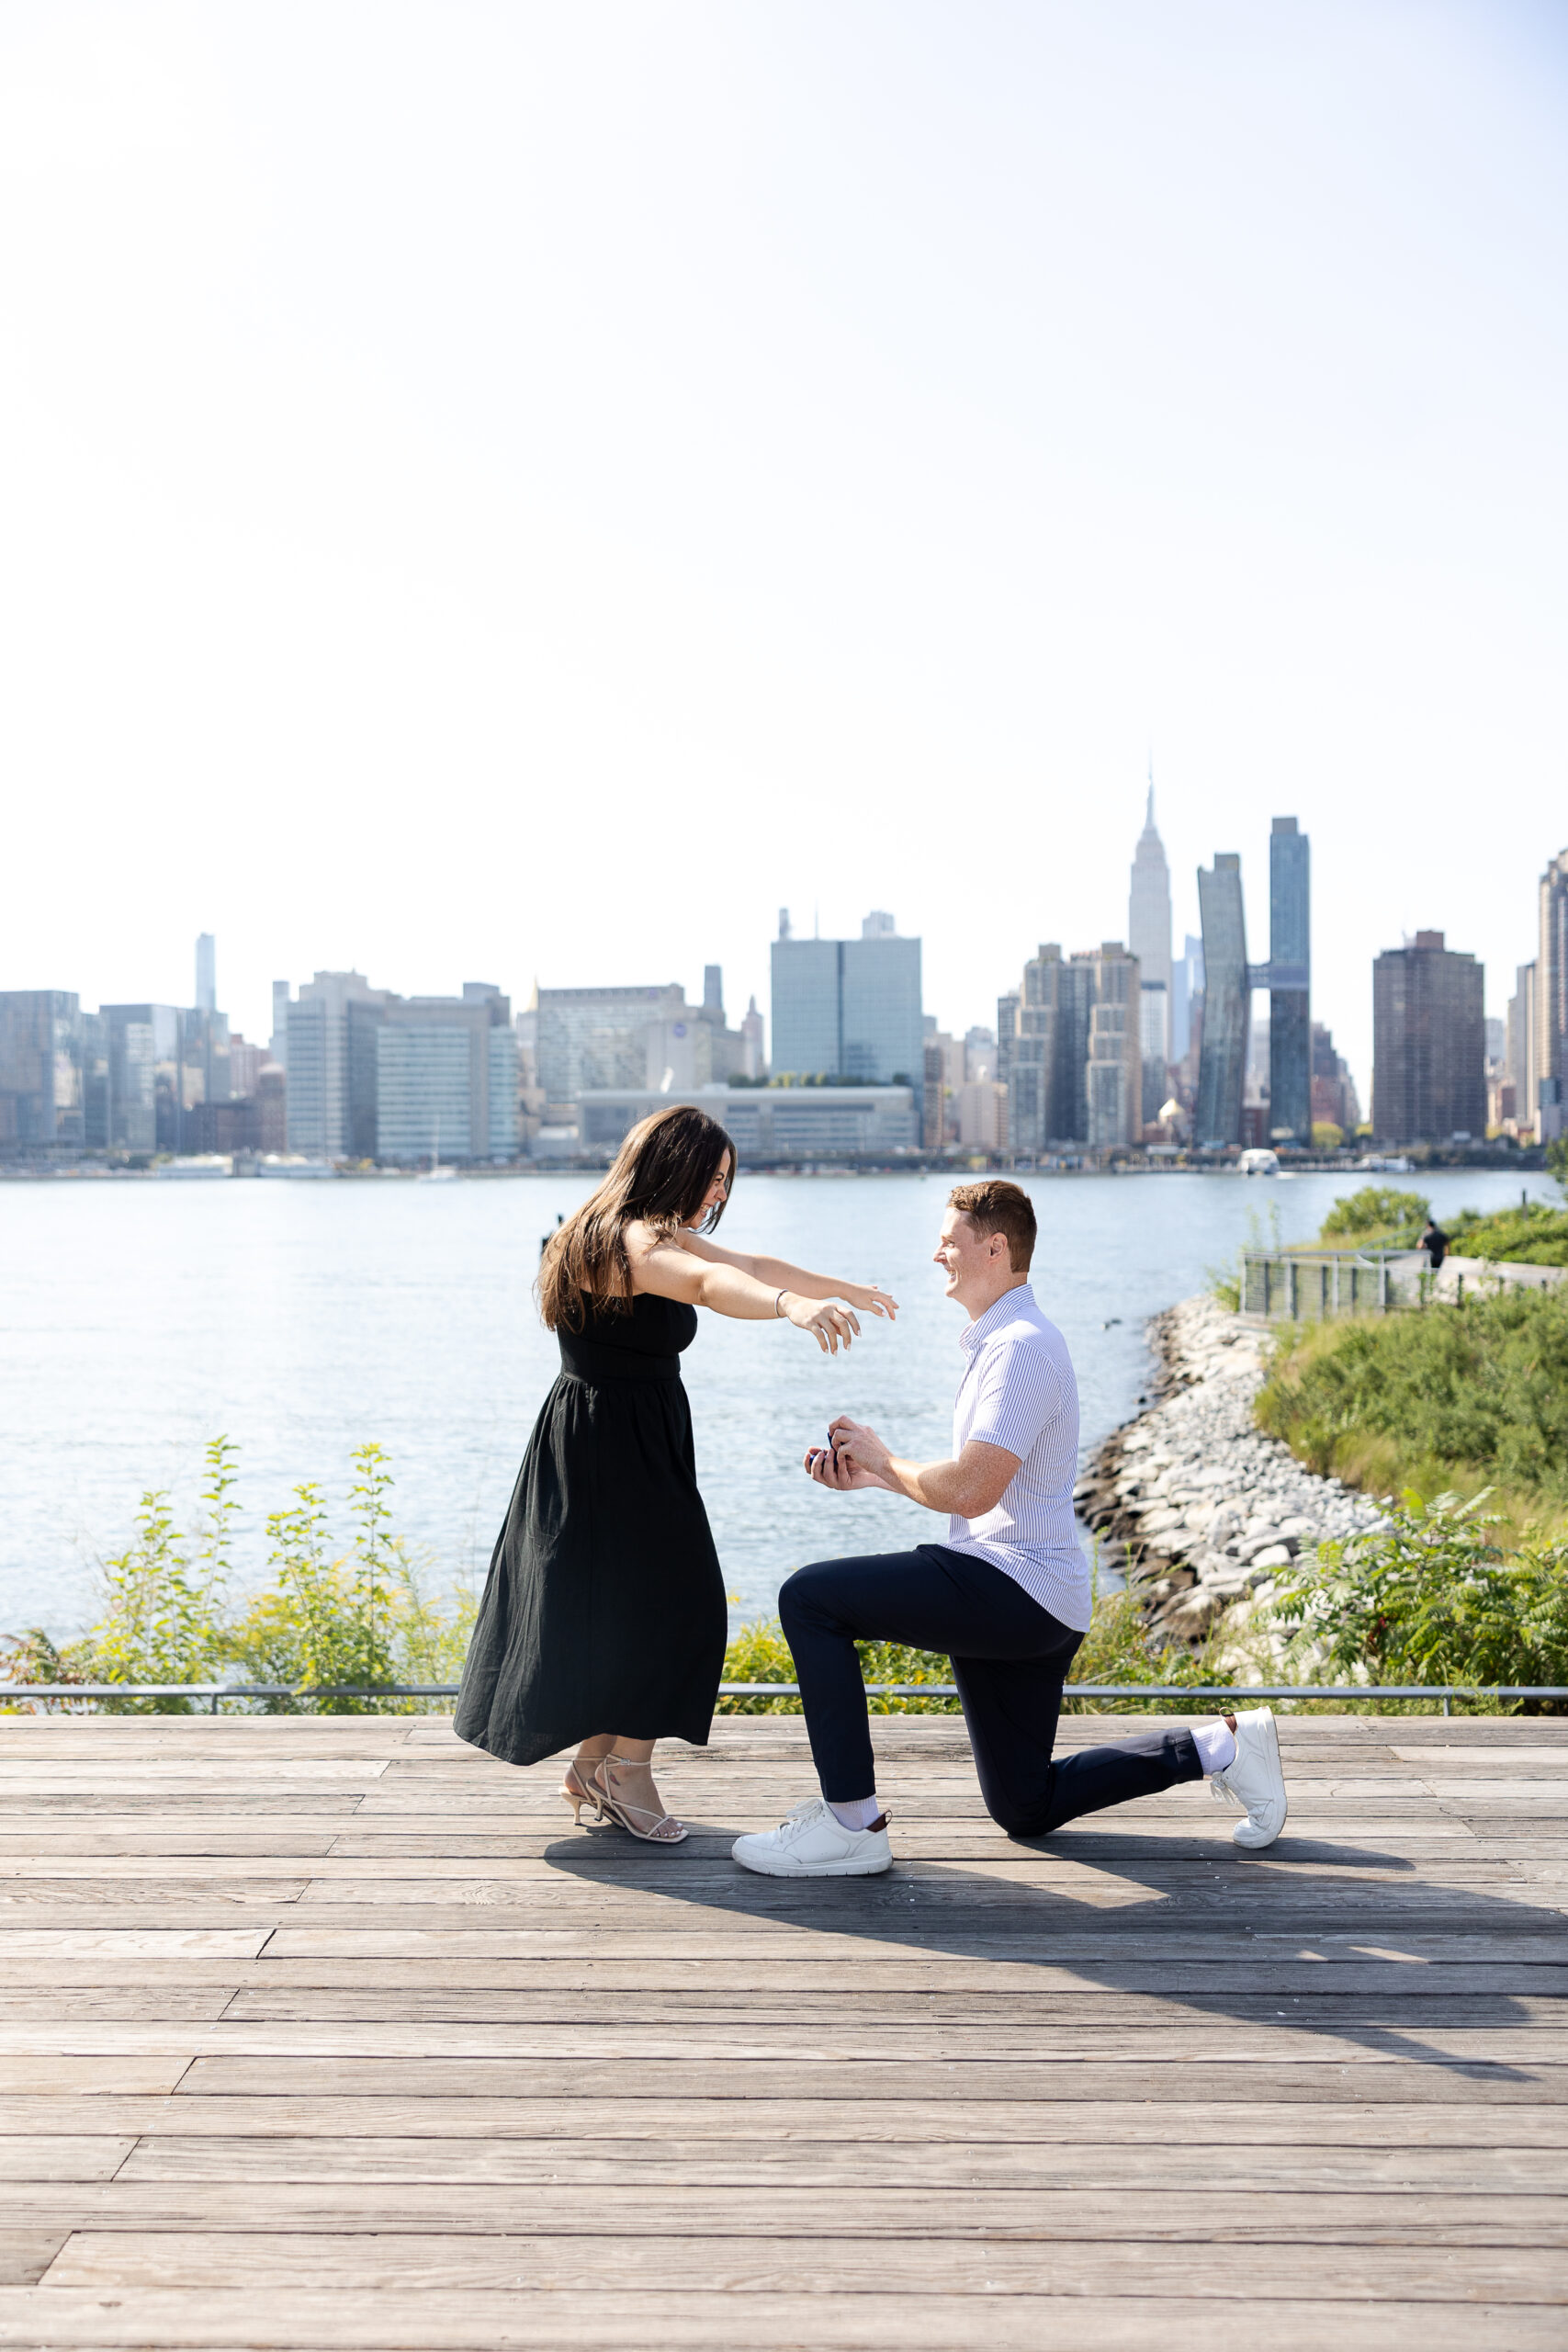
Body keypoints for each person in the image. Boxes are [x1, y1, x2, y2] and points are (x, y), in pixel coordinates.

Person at [731, 1179, 1287, 1879]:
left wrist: (884, 1456)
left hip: (1013, 1585)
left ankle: (851, 1823)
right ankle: (1225, 1747)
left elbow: (971, 1487)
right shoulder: (1001, 1340)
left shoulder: (1020, 1345)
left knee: (809, 1598)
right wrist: (873, 1475)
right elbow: (982, 1491)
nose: (936, 1255)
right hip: (1031, 1596)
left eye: (948, 1242)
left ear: (994, 1248)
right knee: (1024, 1804)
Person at [455, 1103, 897, 1845]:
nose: (718, 1194)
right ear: (671, 1165)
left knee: (631, 1606)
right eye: (710, 1177)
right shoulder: (628, 1242)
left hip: (629, 1434)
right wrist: (792, 1308)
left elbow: (747, 1267)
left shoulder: (645, 1230)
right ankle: (625, 1771)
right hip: (607, 1446)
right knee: (679, 1603)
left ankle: (597, 1767)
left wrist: (839, 1289)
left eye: (726, 1182)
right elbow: (706, 1286)